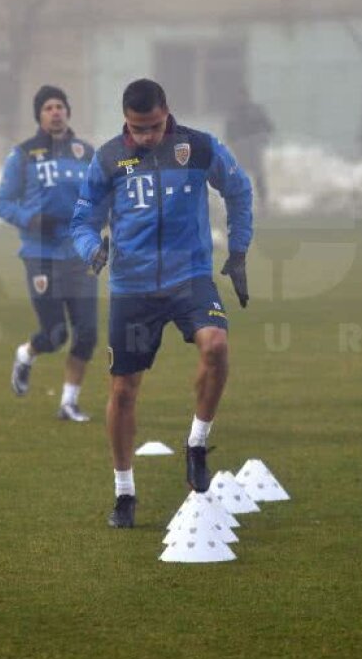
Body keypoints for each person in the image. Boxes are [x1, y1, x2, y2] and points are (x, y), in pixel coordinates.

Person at [71, 78, 253, 528]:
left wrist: (239, 249)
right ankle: (124, 493)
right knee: (123, 391)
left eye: (153, 126)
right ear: (125, 121)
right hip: (132, 288)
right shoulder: (110, 157)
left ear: (167, 111)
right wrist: (90, 247)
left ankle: (197, 442)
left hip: (189, 278)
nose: (146, 136)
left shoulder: (199, 147)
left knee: (216, 347)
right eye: (137, 128)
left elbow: (239, 189)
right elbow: (82, 218)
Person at [0, 85, 98, 422]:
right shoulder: (23, 155)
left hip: (79, 254)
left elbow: (102, 198)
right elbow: (2, 203)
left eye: (60, 106)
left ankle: (68, 403)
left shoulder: (86, 153)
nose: (56, 112)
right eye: (48, 107)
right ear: (39, 116)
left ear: (68, 112)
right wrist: (32, 219)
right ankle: (26, 354)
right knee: (55, 335)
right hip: (41, 254)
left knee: (87, 333)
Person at [224, 83, 274, 210]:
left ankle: (263, 202)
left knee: (258, 175)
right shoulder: (233, 113)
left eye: (242, 96)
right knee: (240, 176)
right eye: (238, 97)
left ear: (247, 96)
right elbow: (229, 132)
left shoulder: (255, 110)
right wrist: (232, 144)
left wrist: (263, 138)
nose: (240, 99)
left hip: (253, 145)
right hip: (240, 148)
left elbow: (268, 126)